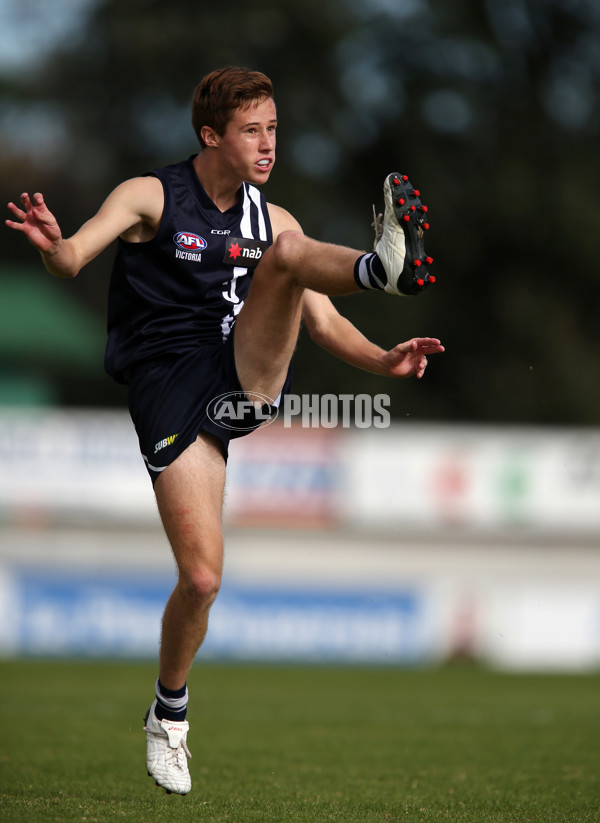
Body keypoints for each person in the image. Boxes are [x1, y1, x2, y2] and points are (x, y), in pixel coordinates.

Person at [5, 66, 444, 796]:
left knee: (286, 259)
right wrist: (54, 246)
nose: (268, 144)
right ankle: (168, 714)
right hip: (168, 389)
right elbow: (75, 256)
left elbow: (322, 319)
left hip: (243, 379)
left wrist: (383, 359)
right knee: (202, 578)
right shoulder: (152, 195)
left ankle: (382, 268)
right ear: (211, 136)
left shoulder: (275, 224)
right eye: (251, 131)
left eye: (273, 128)